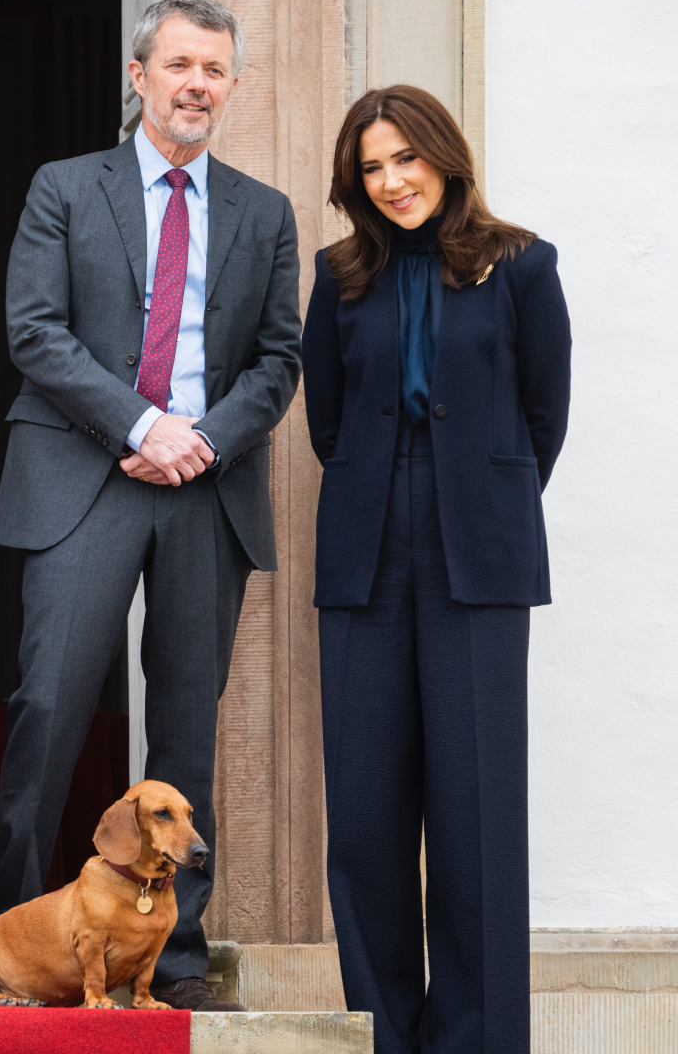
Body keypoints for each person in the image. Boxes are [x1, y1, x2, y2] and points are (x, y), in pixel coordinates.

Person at [0, 0, 302, 1011]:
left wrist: (199, 438)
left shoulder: (264, 210)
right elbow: (35, 331)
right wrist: (143, 426)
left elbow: (279, 358)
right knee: (50, 709)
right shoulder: (67, 189)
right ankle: (11, 946)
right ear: (140, 74)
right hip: (86, 475)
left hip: (208, 489)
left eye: (214, 68)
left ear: (233, 84)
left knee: (184, 733)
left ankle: (175, 955)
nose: (197, 84)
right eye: (179, 66)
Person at [302, 84, 571, 1053]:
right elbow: (328, 421)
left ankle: (480, 1038)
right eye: (371, 168)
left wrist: (478, 493)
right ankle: (389, 1034)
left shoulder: (522, 265)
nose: (392, 182)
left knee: (477, 817)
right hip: (366, 551)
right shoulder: (340, 276)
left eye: (404, 159)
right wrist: (397, 485)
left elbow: (545, 413)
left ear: (443, 158)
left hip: (481, 555)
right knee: (366, 825)